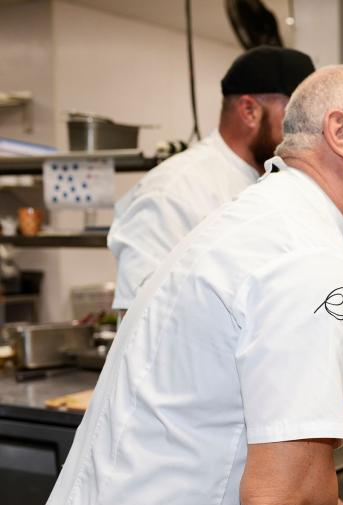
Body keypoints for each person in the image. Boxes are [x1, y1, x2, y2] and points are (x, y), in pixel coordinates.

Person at [1, 65, 343, 505]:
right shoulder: (310, 258)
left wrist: (312, 497)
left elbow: (220, 419)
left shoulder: (246, 223)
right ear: (342, 132)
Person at [107, 45, 315, 311]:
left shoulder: (275, 183)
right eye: (296, 116)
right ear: (249, 110)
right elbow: (143, 319)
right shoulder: (172, 192)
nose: (306, 132)